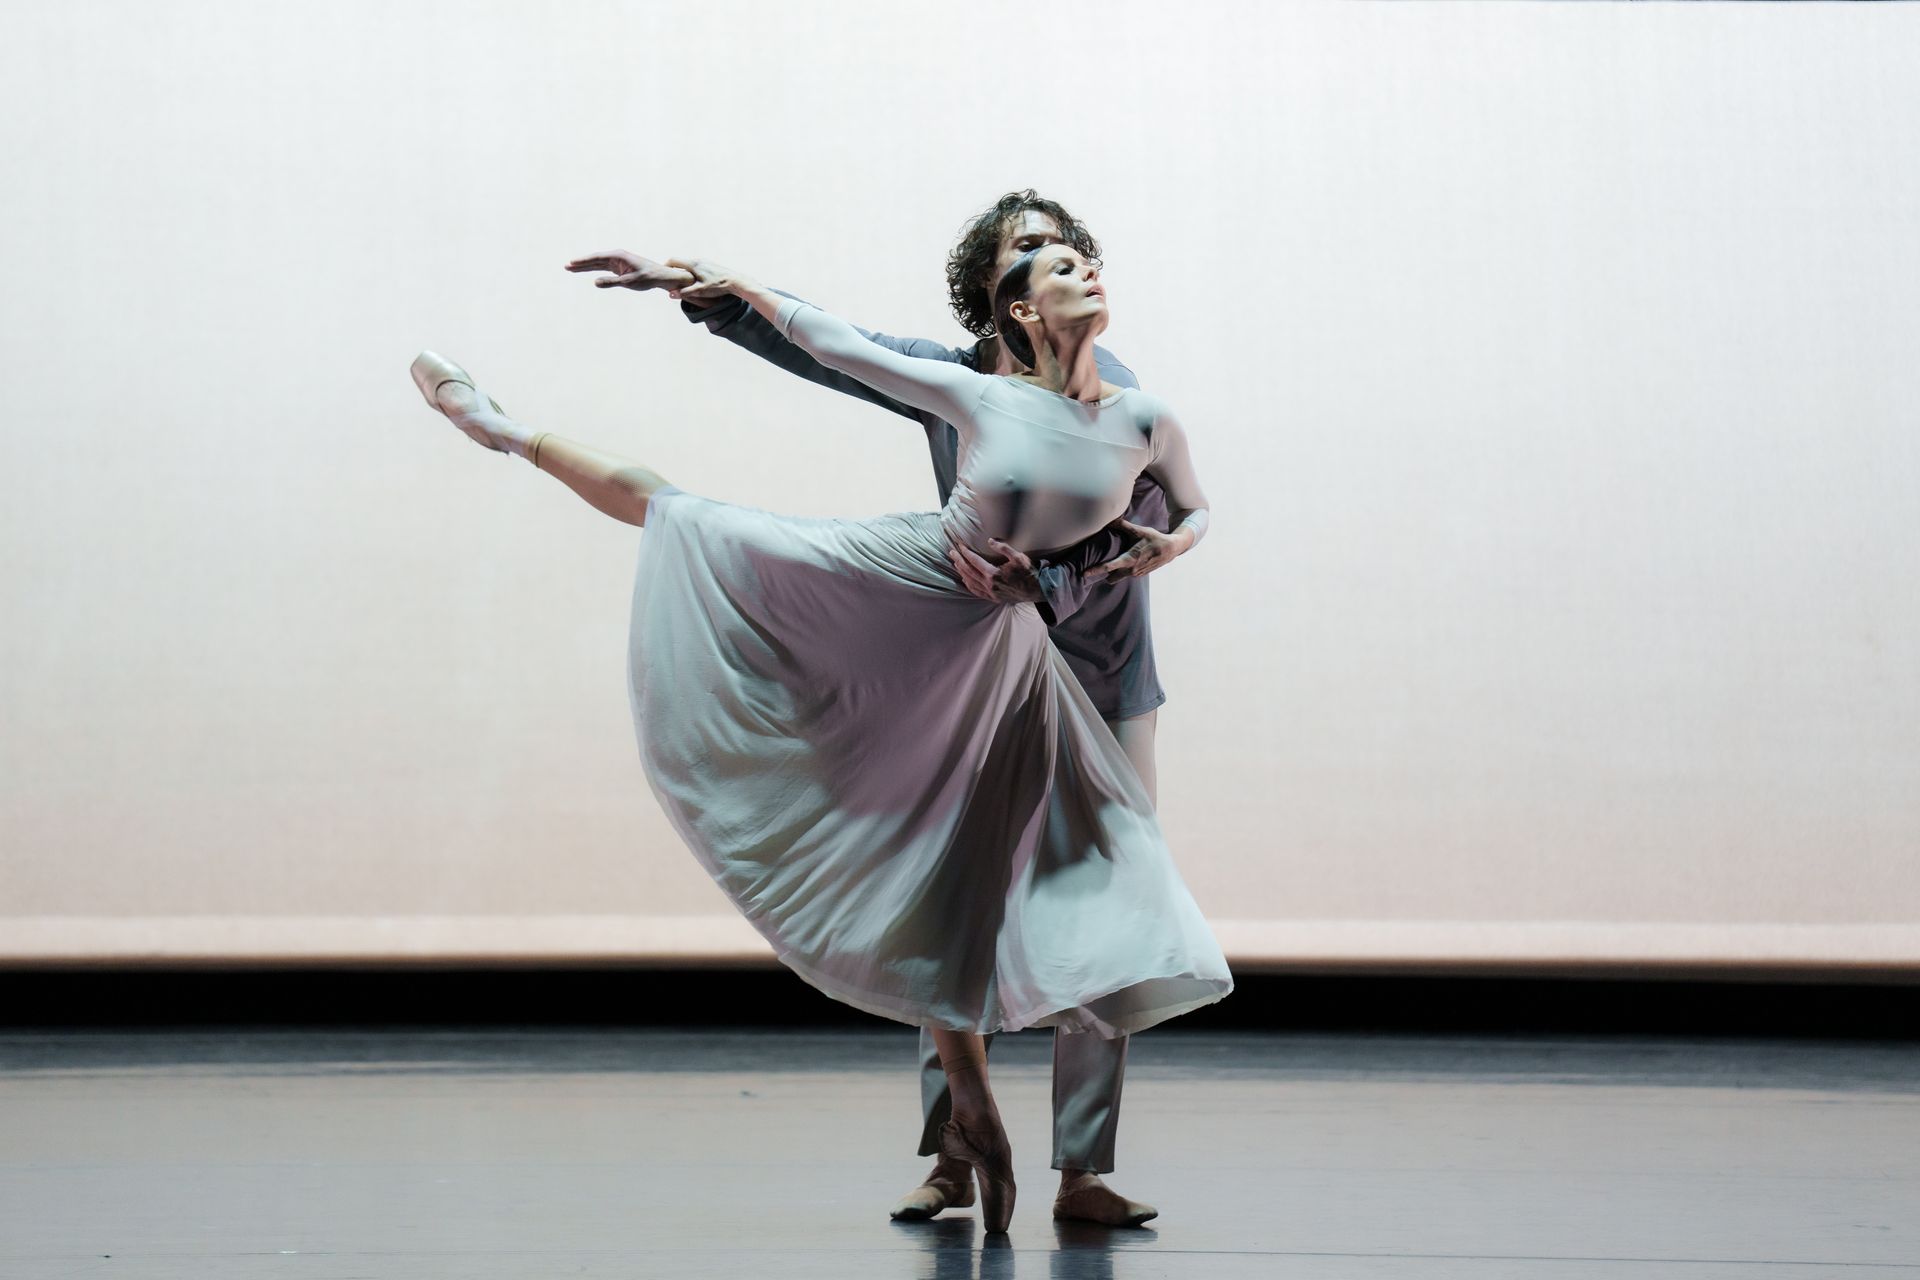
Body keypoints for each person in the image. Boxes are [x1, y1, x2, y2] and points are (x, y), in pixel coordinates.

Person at [408, 240, 1232, 1234]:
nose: (1086, 269)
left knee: (1091, 887)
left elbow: (1186, 507)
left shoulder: (1142, 411)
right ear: (1009, 308)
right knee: (696, 525)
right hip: (914, 592)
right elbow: (835, 344)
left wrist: (1162, 548)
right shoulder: (973, 392)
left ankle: (1077, 1165)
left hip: (1059, 660)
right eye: (1053, 261)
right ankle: (498, 425)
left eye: (1079, 252)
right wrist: (713, 281)